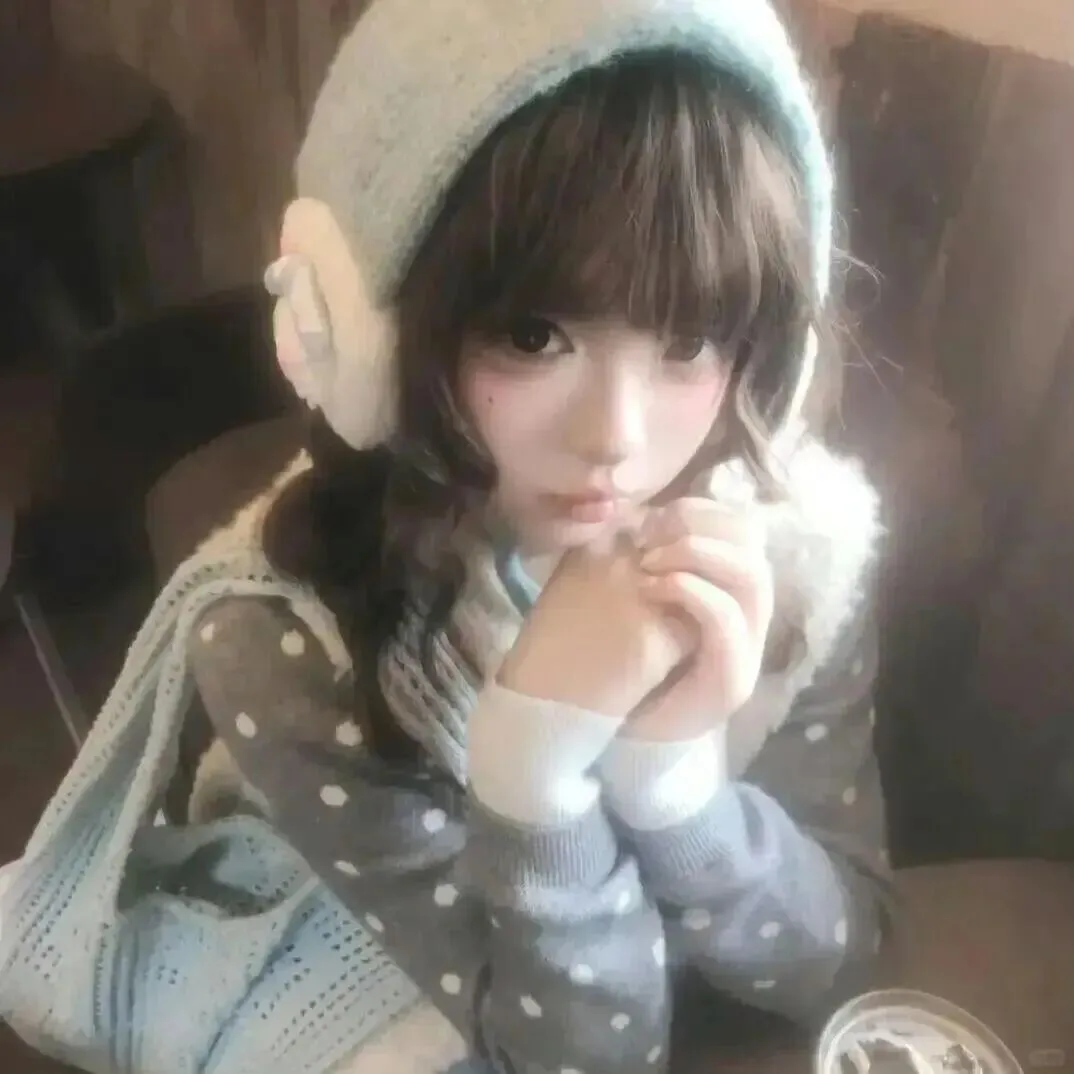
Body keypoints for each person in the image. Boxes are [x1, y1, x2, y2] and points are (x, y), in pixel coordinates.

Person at [2, 2, 891, 1072]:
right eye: (533, 334)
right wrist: (536, 773)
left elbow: (842, 960)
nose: (617, 439)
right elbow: (572, 1058)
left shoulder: (793, 552)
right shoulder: (287, 645)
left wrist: (672, 784)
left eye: (692, 339)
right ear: (367, 329)